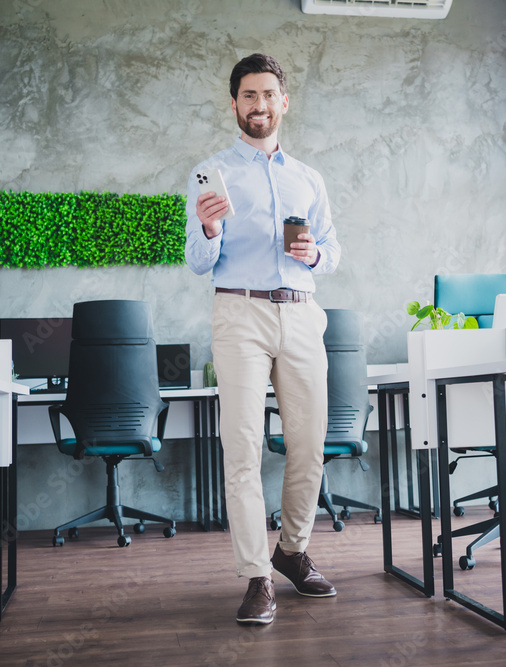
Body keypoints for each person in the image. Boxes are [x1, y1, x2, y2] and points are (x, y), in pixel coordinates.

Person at [184, 53, 341, 625]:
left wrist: (315, 253)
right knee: (243, 449)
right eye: (248, 96)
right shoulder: (211, 174)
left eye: (268, 94)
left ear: (284, 101)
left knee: (309, 446)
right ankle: (256, 577)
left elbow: (333, 250)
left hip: (300, 314)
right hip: (239, 315)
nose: (259, 105)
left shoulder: (309, 179)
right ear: (235, 104)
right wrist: (208, 227)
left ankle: (292, 552)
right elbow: (199, 263)